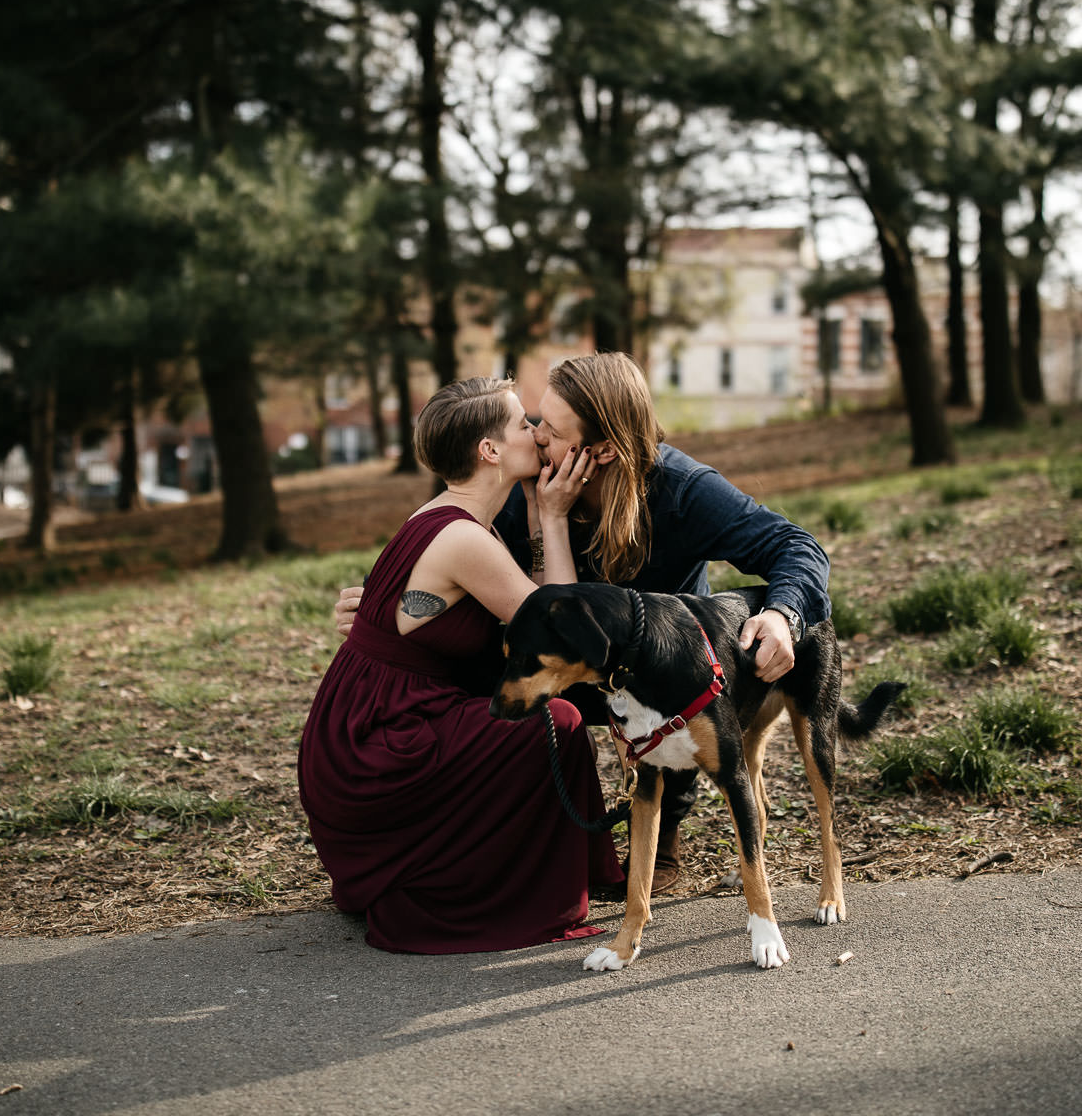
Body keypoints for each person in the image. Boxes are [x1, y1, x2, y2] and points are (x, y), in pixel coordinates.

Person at [335, 351, 832, 893]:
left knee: (679, 693)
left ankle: (663, 838)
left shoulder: (681, 490)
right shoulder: (520, 486)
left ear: (602, 449)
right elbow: (447, 546)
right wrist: (388, 607)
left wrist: (785, 615)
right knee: (493, 683)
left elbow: (793, 545)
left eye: (549, 426)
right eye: (534, 418)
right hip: (568, 665)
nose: (535, 434)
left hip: (665, 671)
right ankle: (490, 838)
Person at [298, 375, 621, 954]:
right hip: (378, 745)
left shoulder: (450, 519)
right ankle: (494, 887)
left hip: (364, 727)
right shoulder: (463, 538)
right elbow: (564, 634)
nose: (536, 433)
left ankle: (499, 868)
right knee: (558, 723)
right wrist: (551, 518)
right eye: (523, 423)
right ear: (489, 450)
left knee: (532, 717)